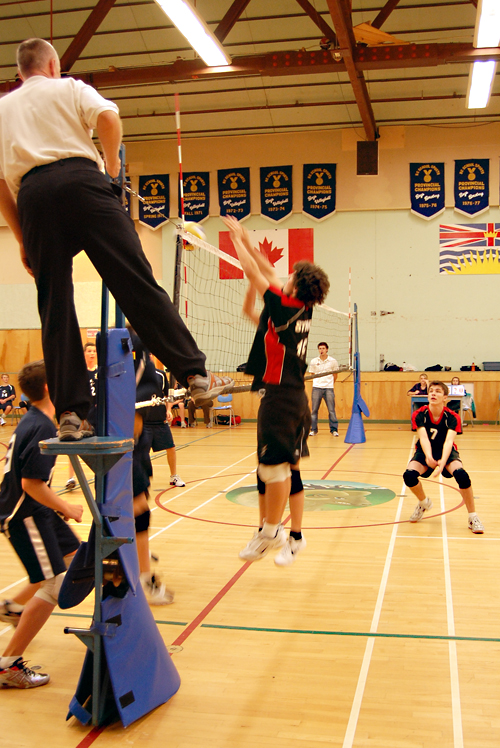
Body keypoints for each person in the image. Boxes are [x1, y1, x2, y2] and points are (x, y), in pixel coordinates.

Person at [0, 38, 231, 441]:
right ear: (53, 65)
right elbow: (108, 117)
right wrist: (111, 169)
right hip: (83, 184)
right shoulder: (69, 87)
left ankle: (70, 414)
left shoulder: (2, 110)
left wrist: (22, 238)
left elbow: (2, 184)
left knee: (54, 305)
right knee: (135, 282)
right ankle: (193, 374)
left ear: (20, 73)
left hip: (34, 199)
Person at [222, 215, 329, 563]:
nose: (284, 277)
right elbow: (266, 269)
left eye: (291, 276)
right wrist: (250, 241)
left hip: (281, 398)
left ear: (295, 287)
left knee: (273, 470)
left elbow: (254, 272)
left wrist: (236, 240)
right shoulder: (299, 307)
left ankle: (272, 531)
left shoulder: (283, 305)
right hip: (294, 398)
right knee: (282, 469)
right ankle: (290, 534)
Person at [0, 360, 83, 688]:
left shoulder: (37, 419)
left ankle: (13, 608)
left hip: (38, 510)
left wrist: (55, 507)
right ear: (49, 388)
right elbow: (31, 484)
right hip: (24, 515)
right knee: (52, 583)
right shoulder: (44, 427)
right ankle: (8, 665)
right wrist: (68, 507)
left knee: (74, 556)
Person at [242, 282, 307, 566]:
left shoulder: (285, 320)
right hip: (272, 395)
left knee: (287, 469)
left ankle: (292, 535)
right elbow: (247, 309)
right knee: (265, 469)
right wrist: (249, 282)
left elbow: (264, 281)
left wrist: (251, 267)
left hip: (286, 398)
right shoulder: (269, 321)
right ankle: (268, 530)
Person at [404, 380, 484, 534]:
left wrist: (441, 464)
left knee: (462, 475)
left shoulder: (452, 417)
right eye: (431, 391)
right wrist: (428, 457)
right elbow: (424, 438)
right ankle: (423, 502)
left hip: (447, 452)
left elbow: (449, 442)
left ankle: (472, 517)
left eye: (438, 391)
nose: (433, 393)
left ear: (445, 397)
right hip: (424, 451)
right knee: (409, 476)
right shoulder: (419, 414)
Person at [66, 341, 98, 490]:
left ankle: (100, 474)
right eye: (89, 351)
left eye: (94, 351)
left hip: (97, 414)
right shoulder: (79, 373)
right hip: (82, 414)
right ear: (84, 353)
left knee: (97, 445)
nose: (91, 353)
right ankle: (71, 478)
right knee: (73, 445)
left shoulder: (100, 372)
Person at [308, 342, 339, 436]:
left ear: (327, 349)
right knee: (314, 410)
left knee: (331, 410)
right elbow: (312, 374)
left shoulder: (333, 361)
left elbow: (335, 375)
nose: (321, 350)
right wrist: (318, 382)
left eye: (323, 348)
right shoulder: (314, 361)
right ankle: (313, 429)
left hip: (328, 388)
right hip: (317, 388)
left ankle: (334, 430)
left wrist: (329, 384)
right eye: (320, 348)